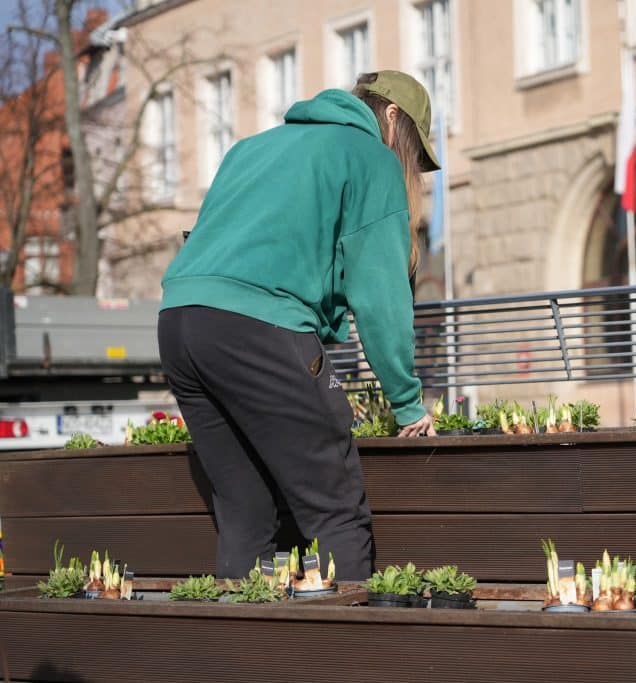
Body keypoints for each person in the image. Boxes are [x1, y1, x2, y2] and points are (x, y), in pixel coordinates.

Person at [157, 71, 438, 579]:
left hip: (180, 322)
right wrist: (406, 402)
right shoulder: (369, 156)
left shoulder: (252, 148)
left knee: (245, 513)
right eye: (414, 150)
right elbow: (380, 292)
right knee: (336, 511)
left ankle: (244, 632)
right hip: (260, 325)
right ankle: (345, 631)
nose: (410, 164)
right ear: (393, 117)